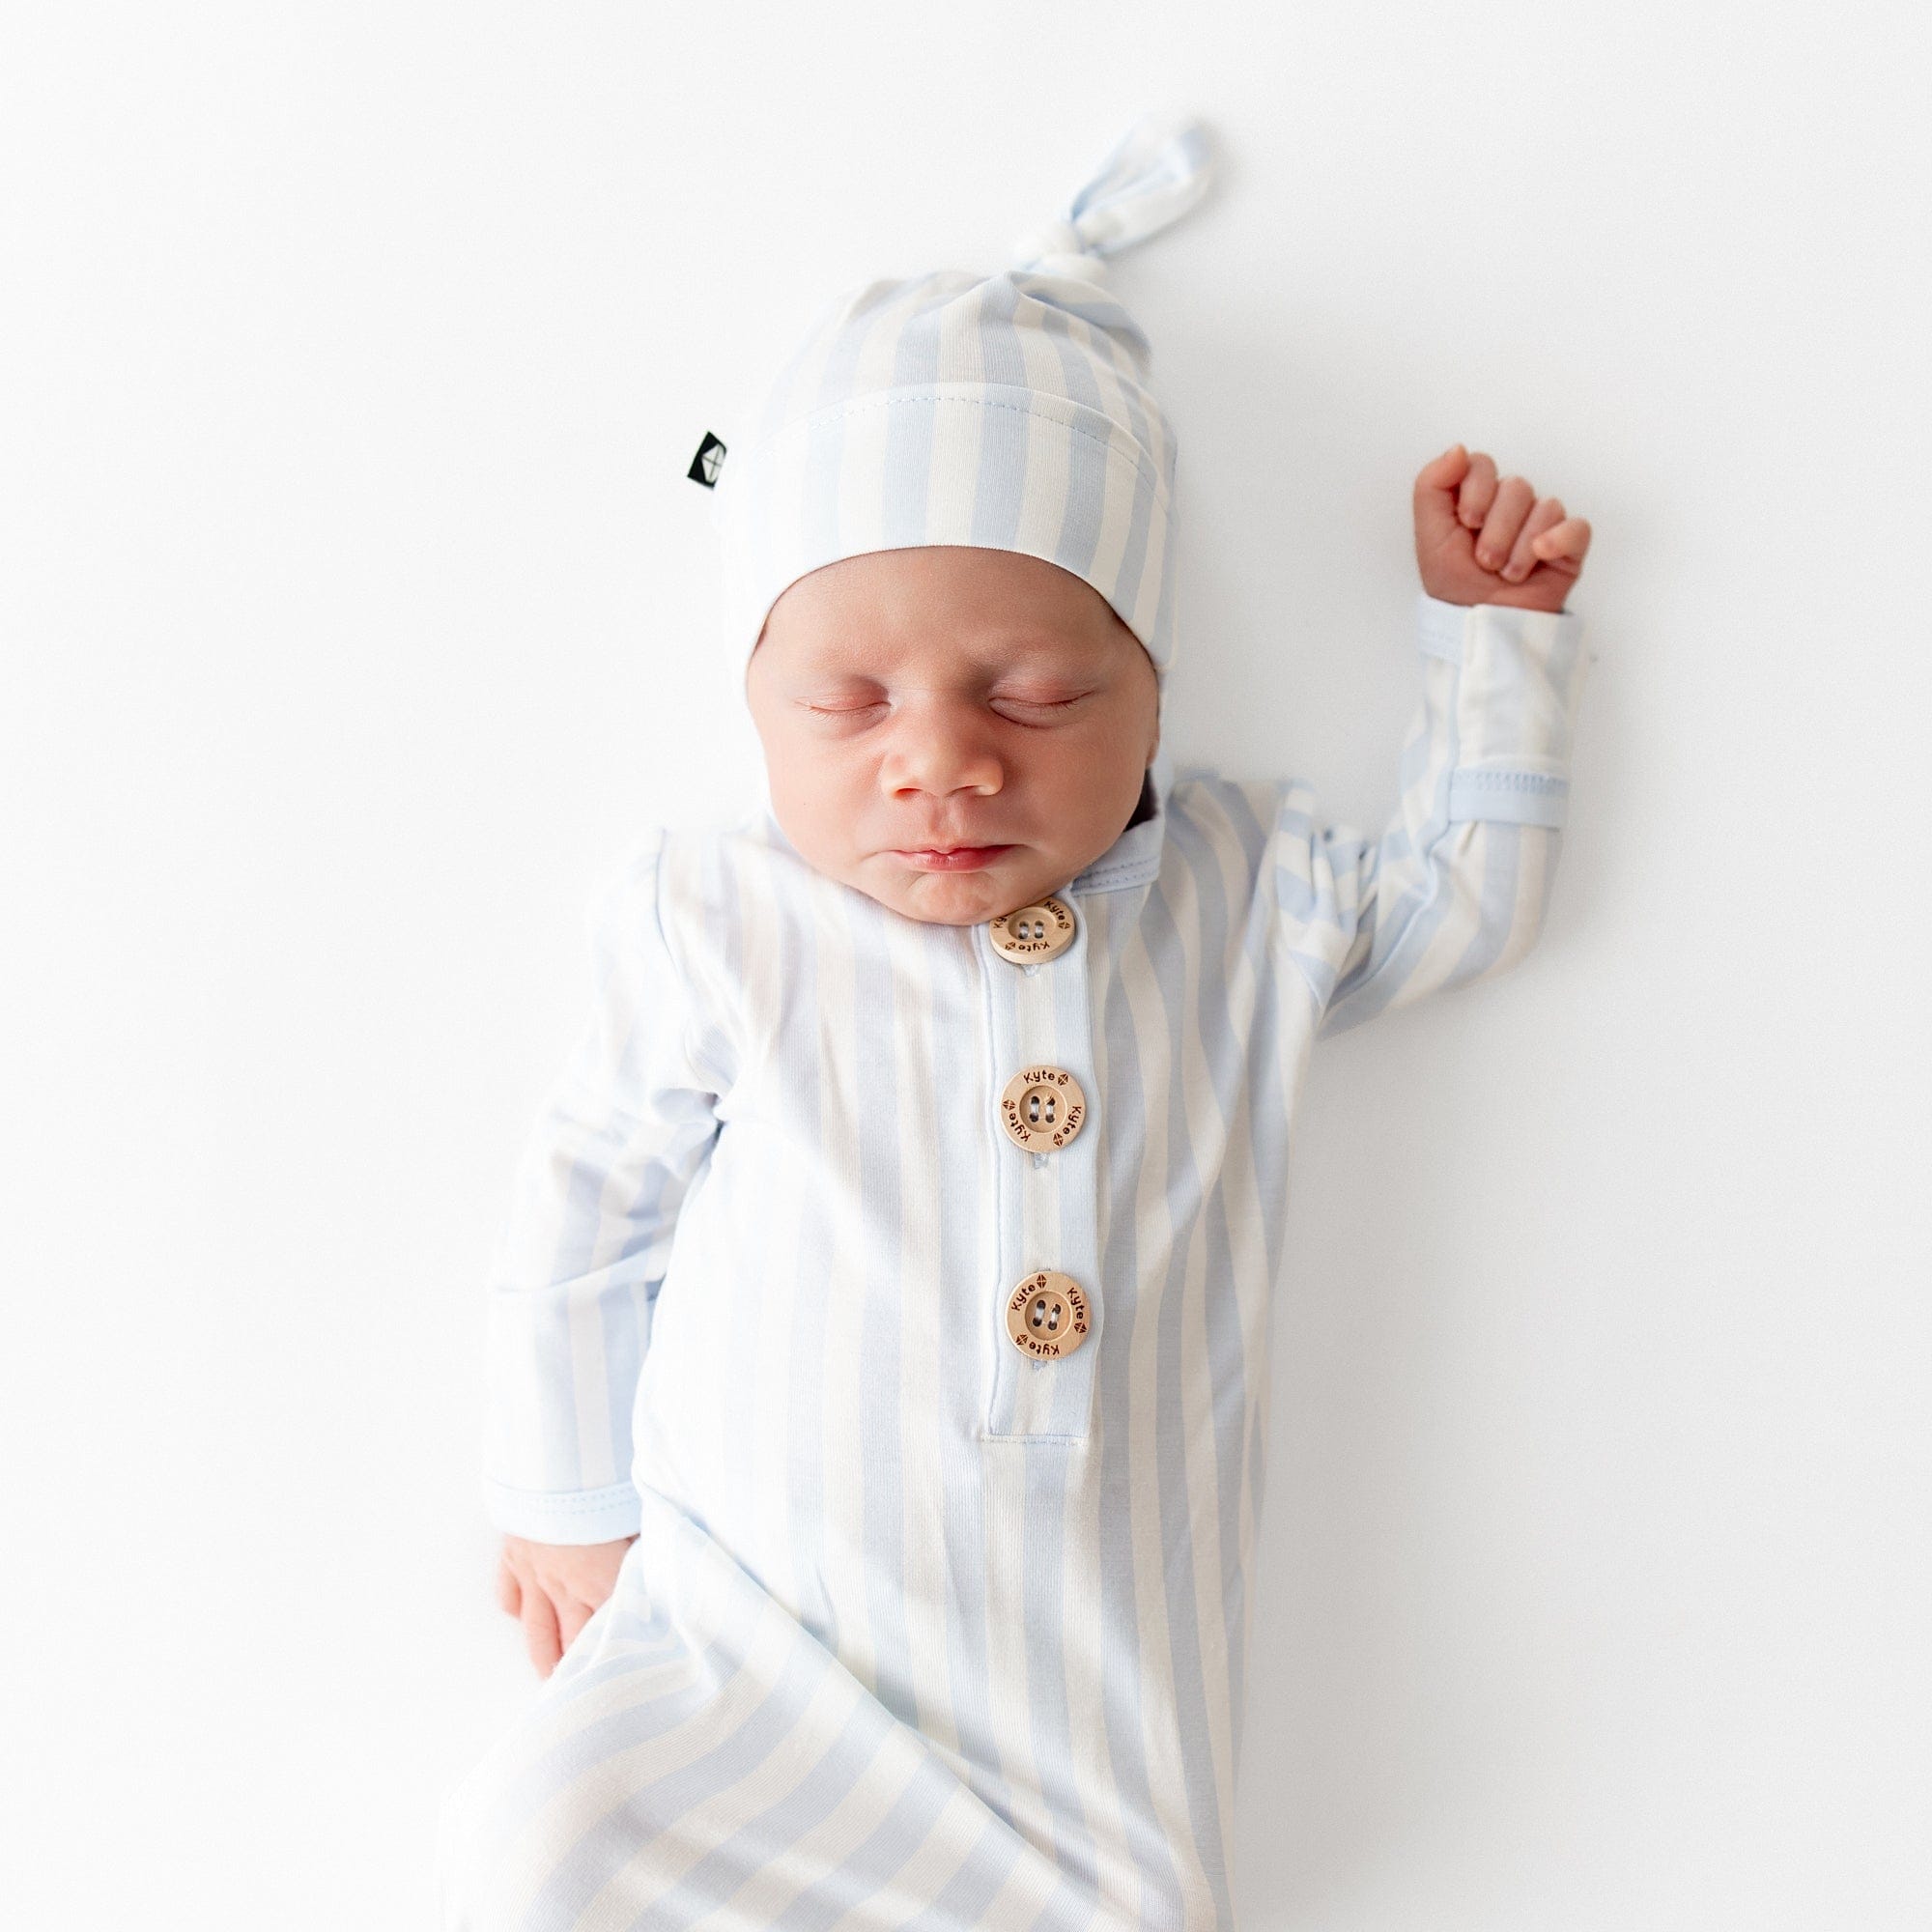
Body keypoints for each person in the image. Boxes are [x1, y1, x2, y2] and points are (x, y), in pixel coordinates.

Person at [437, 109, 1596, 1930]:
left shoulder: (1240, 894)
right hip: (755, 1628)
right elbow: (587, 1204)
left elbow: (1460, 907)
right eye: (848, 703)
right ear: (754, 705)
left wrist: (1493, 643)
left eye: (1039, 691)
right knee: (550, 1849)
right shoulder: (720, 917)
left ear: (1151, 688)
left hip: (1087, 1711)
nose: (943, 761)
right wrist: (564, 1494)